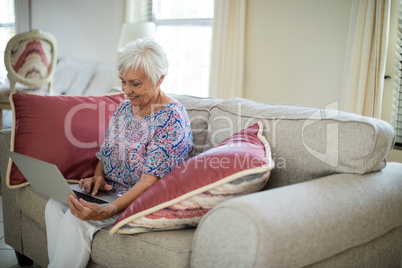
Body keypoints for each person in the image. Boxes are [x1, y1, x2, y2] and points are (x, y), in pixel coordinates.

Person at [45, 38, 194, 268]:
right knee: (56, 204)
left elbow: (148, 183)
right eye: (123, 82)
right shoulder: (125, 108)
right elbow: (106, 153)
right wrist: (98, 177)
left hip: (142, 201)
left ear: (160, 79)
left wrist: (108, 209)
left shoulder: (172, 119)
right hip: (112, 191)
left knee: (78, 221)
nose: (126, 91)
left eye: (135, 84)